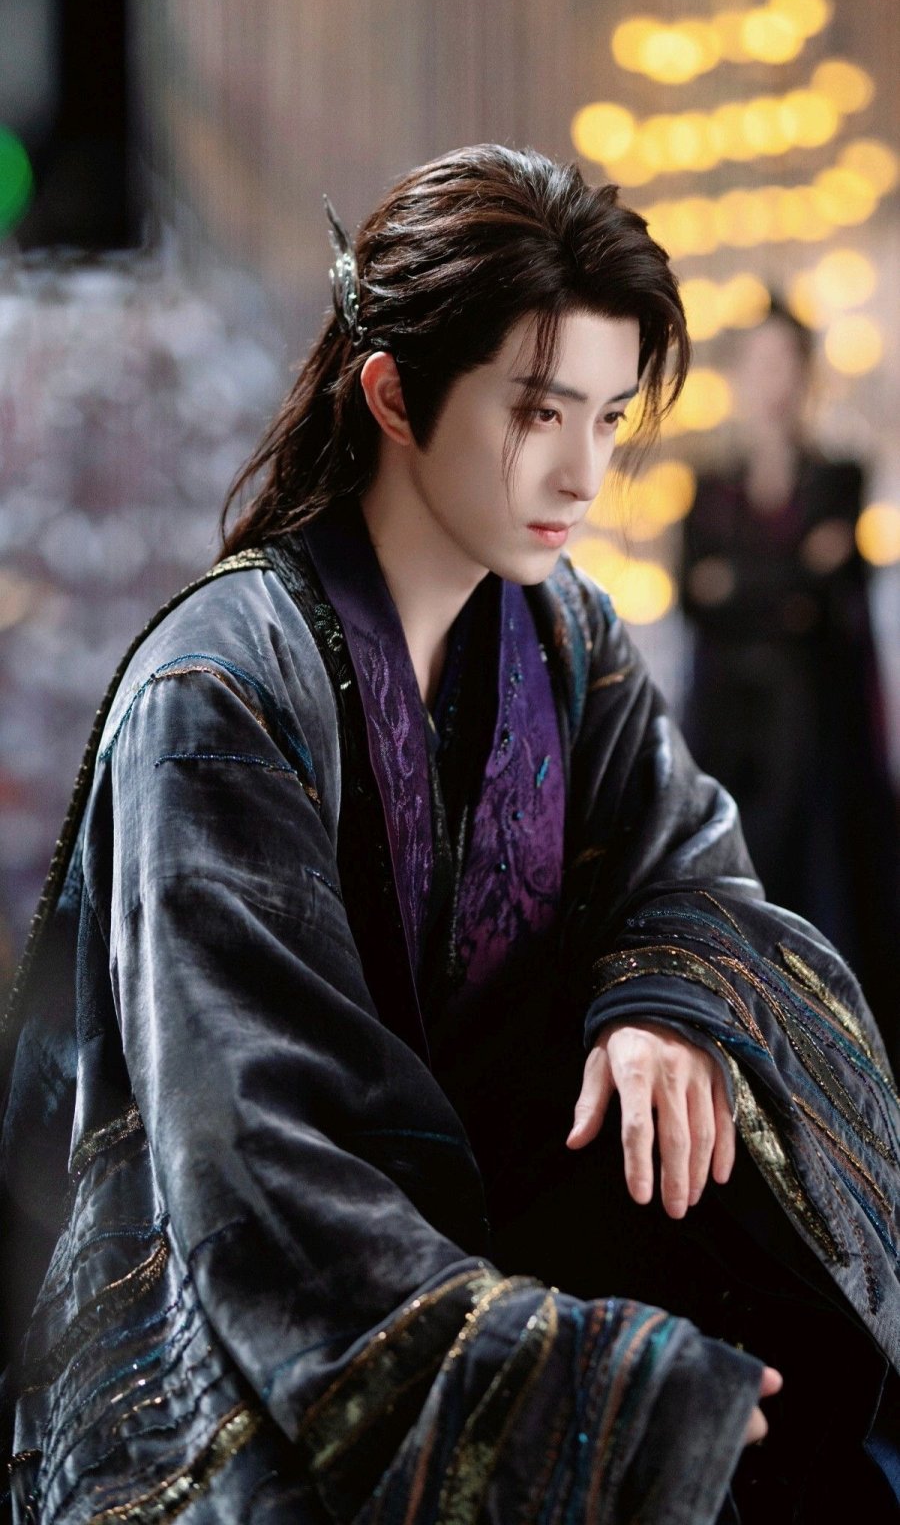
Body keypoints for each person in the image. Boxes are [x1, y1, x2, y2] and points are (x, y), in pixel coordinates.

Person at [1, 147, 897, 1524]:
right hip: (267, 1339)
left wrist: (663, 1003)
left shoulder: (565, 631)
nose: (583, 472)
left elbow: (688, 864)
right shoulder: (220, 693)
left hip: (525, 1256)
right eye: (537, 412)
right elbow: (254, 1154)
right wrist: (585, 1381)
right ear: (393, 395)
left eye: (608, 417)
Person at [680, 299, 900, 1064]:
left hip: (817, 757)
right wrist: (793, 581)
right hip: (732, 740)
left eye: (787, 363)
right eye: (760, 363)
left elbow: (813, 600)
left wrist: (738, 586)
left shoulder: (838, 477)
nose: (773, 381)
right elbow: (695, 596)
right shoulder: (706, 486)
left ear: (807, 375)